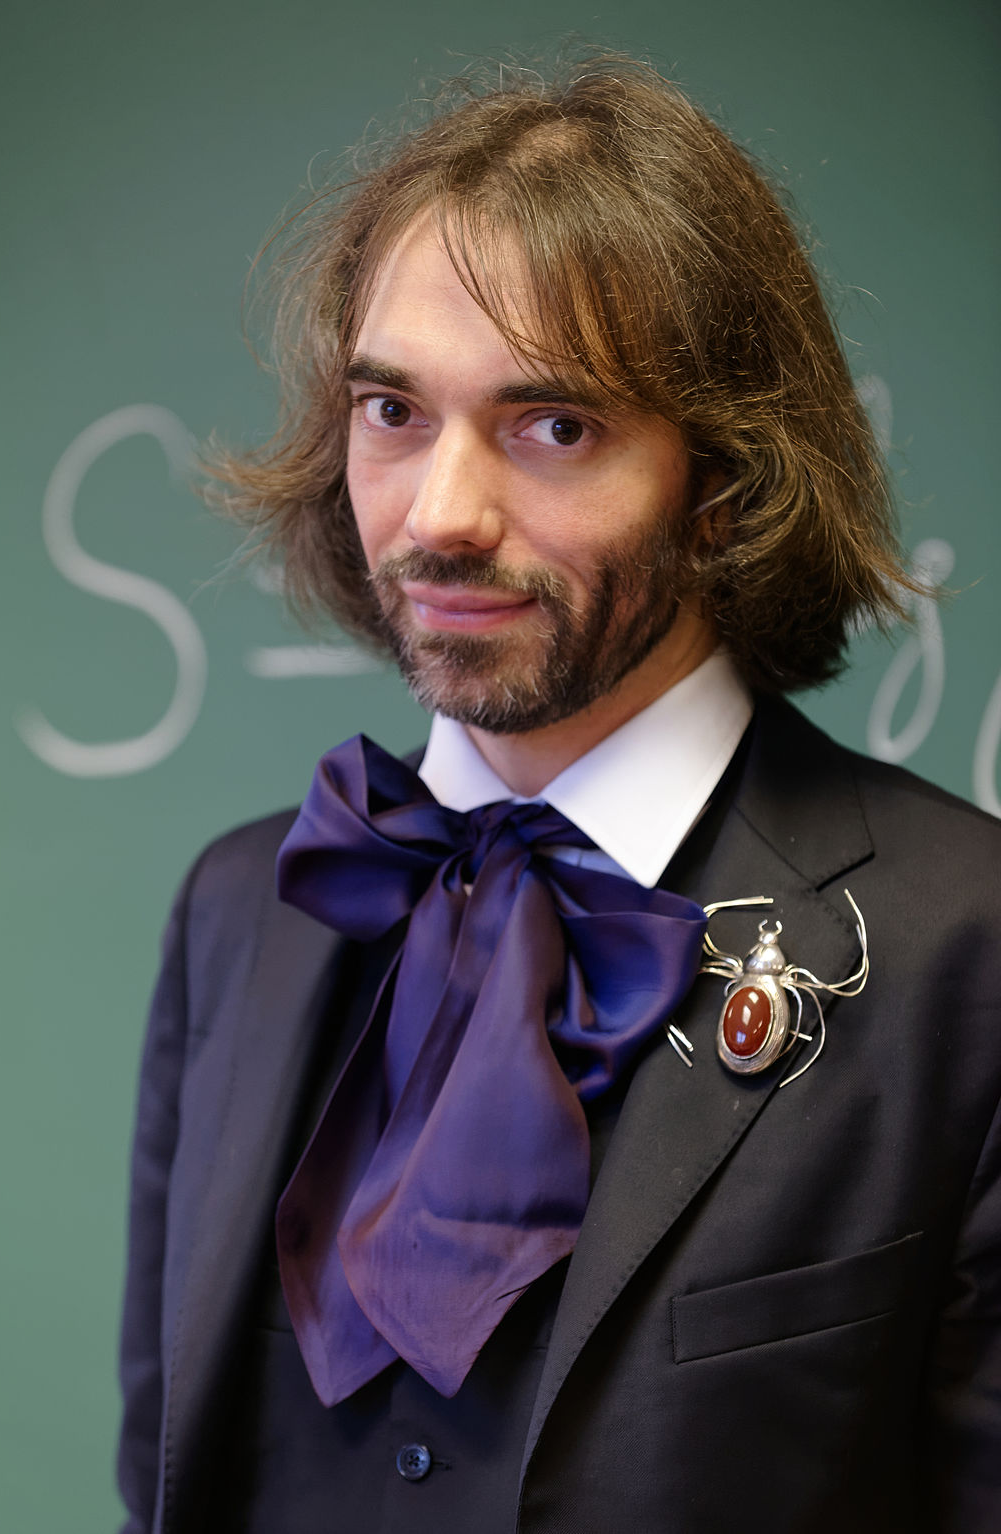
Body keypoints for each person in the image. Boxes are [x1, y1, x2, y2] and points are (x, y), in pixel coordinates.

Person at [117, 57, 1001, 1534]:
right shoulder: (240, 910)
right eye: (393, 409)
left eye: (555, 426)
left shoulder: (971, 951)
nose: (441, 513)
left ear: (724, 481)